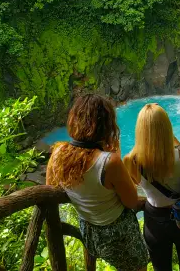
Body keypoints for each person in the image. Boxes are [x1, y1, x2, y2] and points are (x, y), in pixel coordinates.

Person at [46, 94, 148, 271]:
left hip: (89, 231)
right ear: (105, 125)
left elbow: (51, 188)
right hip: (118, 234)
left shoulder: (58, 152)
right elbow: (131, 202)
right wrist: (115, 153)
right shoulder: (109, 161)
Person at [123, 103, 180, 271]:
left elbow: (134, 184)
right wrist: (166, 134)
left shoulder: (131, 160)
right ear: (167, 127)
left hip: (155, 221)